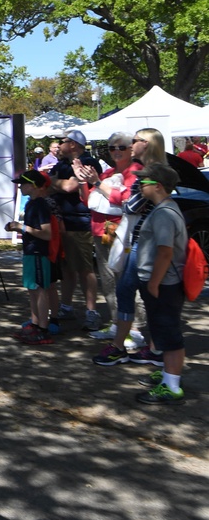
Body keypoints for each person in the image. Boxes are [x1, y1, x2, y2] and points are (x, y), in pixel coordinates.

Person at [92, 128, 168, 366]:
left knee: (135, 291)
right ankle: (148, 348)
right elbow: (125, 200)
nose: (130, 145)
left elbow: (130, 205)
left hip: (146, 241)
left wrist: (99, 185)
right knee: (138, 292)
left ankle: (133, 346)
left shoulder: (151, 172)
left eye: (135, 141)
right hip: (140, 238)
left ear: (148, 144)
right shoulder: (147, 171)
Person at [73, 132, 142, 340]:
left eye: (121, 147)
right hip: (101, 230)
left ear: (132, 148)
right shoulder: (108, 173)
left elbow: (125, 199)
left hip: (122, 231)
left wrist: (96, 182)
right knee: (109, 280)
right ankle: (116, 324)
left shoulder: (136, 172)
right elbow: (89, 201)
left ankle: (135, 328)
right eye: (112, 148)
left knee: (127, 280)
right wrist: (81, 181)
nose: (116, 151)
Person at [130, 163, 188, 404]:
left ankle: (172, 386)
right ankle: (168, 375)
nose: (140, 185)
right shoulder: (163, 209)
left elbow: (165, 252)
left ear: (158, 186)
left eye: (144, 182)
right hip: (161, 282)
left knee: (169, 333)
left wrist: (154, 282)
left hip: (164, 283)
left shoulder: (164, 213)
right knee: (163, 331)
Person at [50, 129, 103, 330]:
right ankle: (67, 306)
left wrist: (54, 181)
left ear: (73, 144)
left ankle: (91, 312)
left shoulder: (88, 163)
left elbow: (70, 187)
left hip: (80, 222)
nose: (58, 145)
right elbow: (52, 185)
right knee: (66, 268)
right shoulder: (62, 164)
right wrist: (56, 182)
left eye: (62, 141)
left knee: (84, 268)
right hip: (61, 221)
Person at [5, 170, 54, 345]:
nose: (20, 187)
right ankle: (35, 323)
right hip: (29, 251)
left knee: (40, 290)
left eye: (22, 184)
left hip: (39, 252)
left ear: (33, 185)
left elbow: (47, 234)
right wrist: (18, 228)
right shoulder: (31, 203)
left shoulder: (41, 204)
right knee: (32, 289)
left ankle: (43, 328)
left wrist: (22, 228)